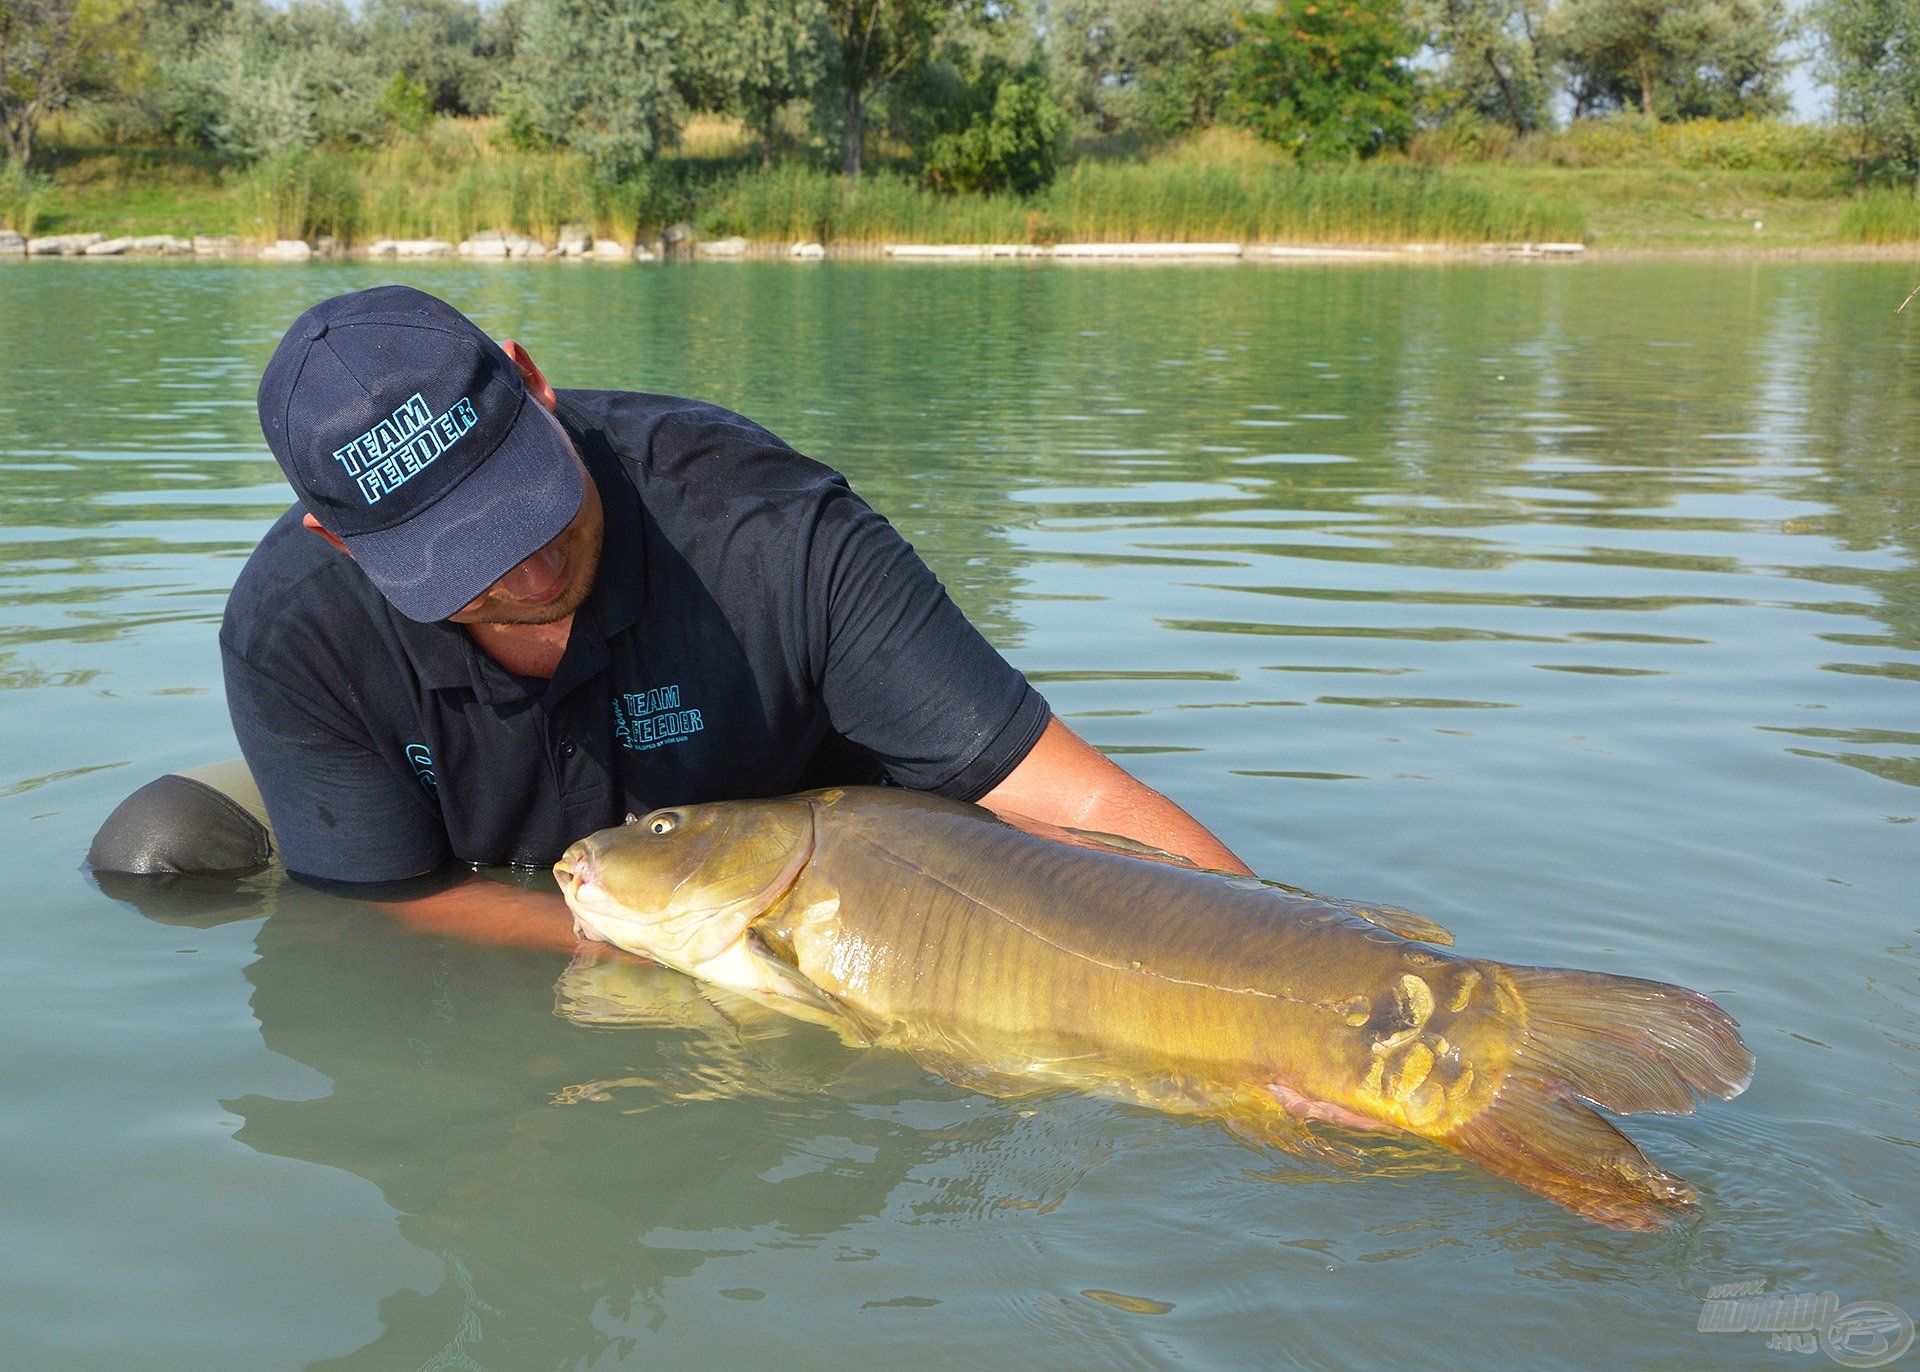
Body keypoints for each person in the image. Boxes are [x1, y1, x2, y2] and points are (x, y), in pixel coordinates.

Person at [111, 285, 1249, 951]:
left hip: (788, 827)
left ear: (534, 383)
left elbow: (1075, 798)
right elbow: (403, 892)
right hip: (515, 849)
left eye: (529, 508)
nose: (529, 573)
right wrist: (665, 953)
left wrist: (1289, 967)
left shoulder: (773, 527)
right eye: (462, 559)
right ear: (340, 546)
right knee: (150, 851)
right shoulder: (291, 625)